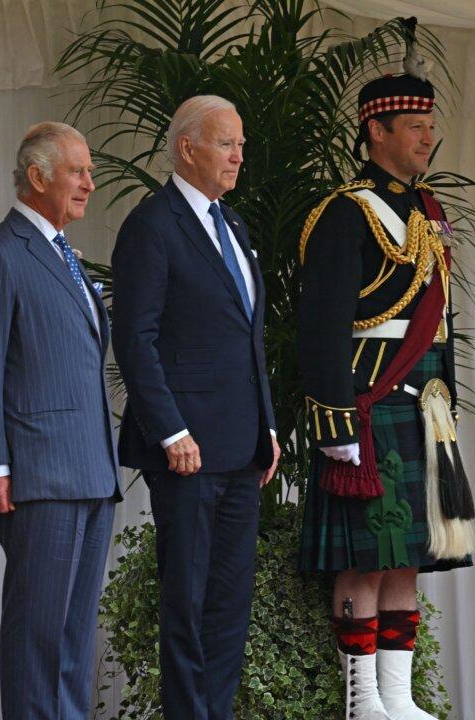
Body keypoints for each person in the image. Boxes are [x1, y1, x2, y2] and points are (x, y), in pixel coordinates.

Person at [297, 19, 475, 720]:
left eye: (430, 124)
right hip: (366, 405)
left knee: (408, 557)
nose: (427, 137)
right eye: (413, 125)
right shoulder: (346, 214)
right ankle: (361, 698)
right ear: (376, 131)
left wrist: (448, 405)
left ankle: (398, 699)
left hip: (421, 401)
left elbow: (443, 320)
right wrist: (336, 420)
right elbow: (321, 326)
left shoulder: (428, 212)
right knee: (363, 558)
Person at [111, 95, 279, 720]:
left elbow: (245, 334)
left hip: (242, 448)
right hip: (187, 452)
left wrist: (266, 421)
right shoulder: (152, 225)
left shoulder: (231, 225)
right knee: (187, 603)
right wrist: (170, 429)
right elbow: (136, 338)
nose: (240, 154)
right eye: (227, 143)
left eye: (240, 144)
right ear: (187, 148)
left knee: (230, 604)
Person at [0, 121, 120, 720]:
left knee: (73, 644)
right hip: (40, 476)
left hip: (92, 472)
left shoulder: (62, 254)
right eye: (78, 171)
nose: (89, 184)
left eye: (89, 172)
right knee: (38, 638)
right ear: (38, 175)